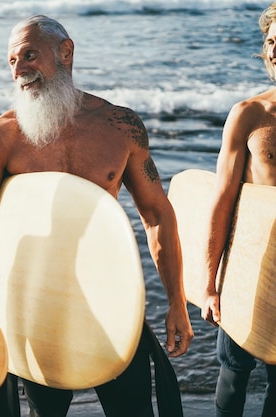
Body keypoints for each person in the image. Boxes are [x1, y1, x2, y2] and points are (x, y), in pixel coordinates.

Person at [0, 15, 193, 417]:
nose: (19, 69)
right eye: (12, 60)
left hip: (110, 295)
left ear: (66, 52)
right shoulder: (1, 137)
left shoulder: (120, 127)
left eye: (29, 55)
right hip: (33, 303)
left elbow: (156, 216)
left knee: (134, 409)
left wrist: (176, 302)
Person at [201, 3, 276, 416]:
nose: (274, 50)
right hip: (248, 267)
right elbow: (221, 201)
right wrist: (210, 283)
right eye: (269, 41)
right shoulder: (250, 114)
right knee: (232, 377)